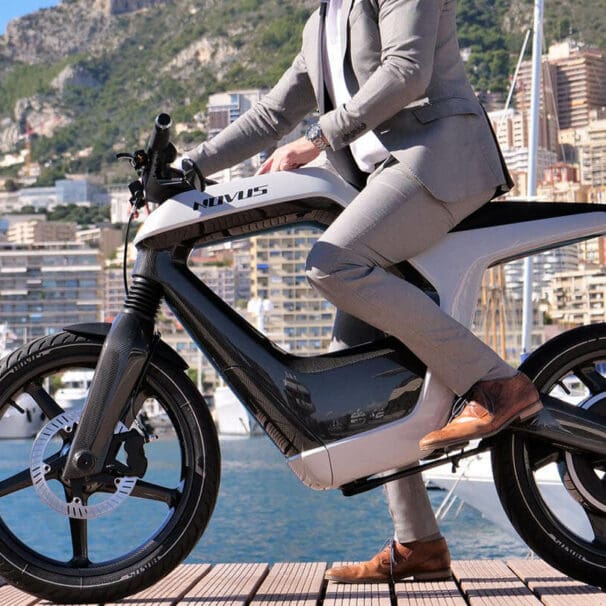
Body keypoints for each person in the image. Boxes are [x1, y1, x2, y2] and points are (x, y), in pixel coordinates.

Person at [183, 0, 542, 583]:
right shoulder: (319, 22)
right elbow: (272, 114)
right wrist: (188, 166)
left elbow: (407, 70)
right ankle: (419, 543)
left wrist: (318, 139)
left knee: (332, 260)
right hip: (385, 181)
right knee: (364, 379)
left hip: (439, 160)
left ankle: (498, 383)